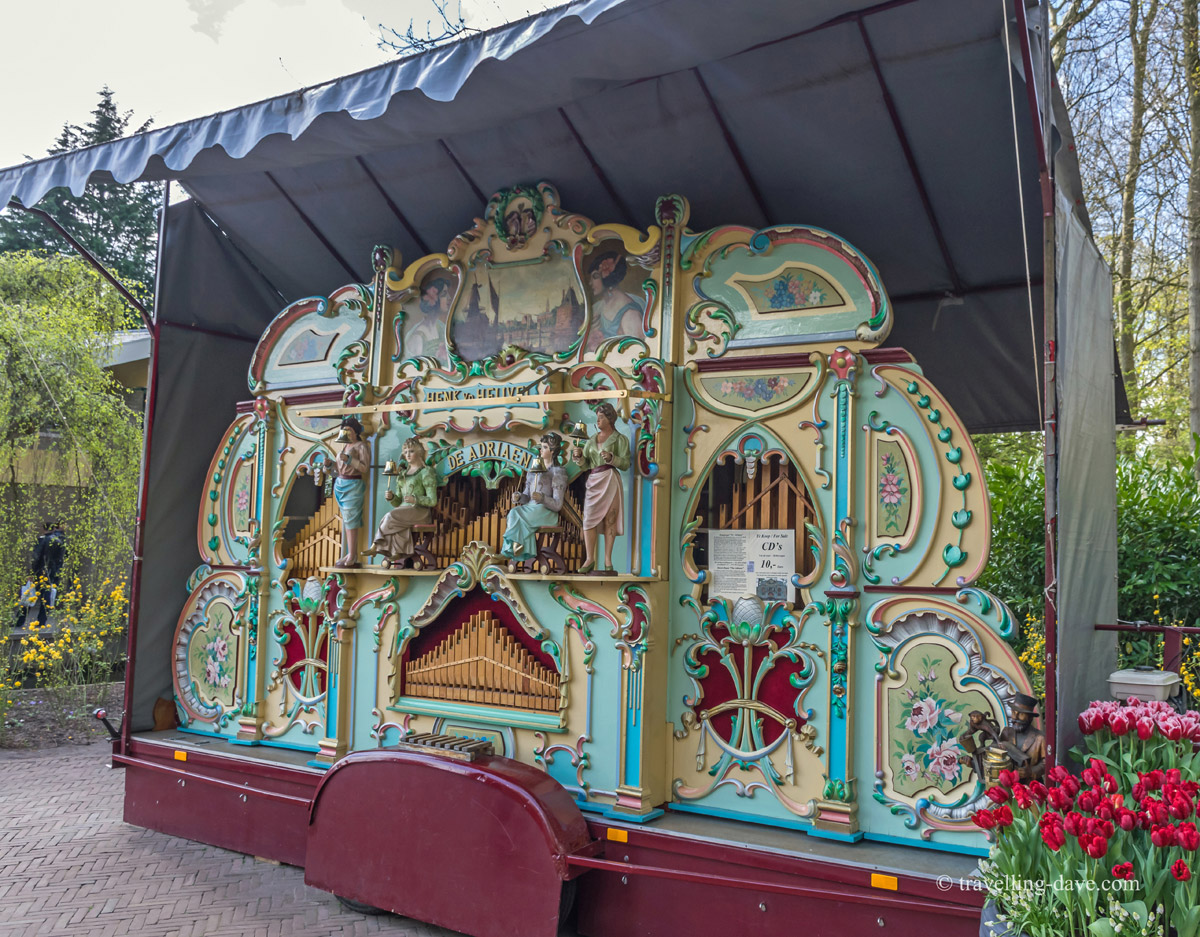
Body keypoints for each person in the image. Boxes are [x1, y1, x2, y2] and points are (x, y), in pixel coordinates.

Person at [571, 403, 630, 573]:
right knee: (588, 519)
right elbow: (585, 466)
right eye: (597, 417)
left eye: (601, 417)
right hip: (594, 479)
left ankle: (608, 560)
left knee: (610, 519)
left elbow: (626, 463)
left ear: (610, 418)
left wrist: (612, 458)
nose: (598, 420)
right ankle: (590, 558)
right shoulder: (591, 440)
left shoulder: (620, 439)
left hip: (610, 478)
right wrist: (579, 458)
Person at [364, 437, 438, 564]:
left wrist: (415, 499)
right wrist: (392, 497)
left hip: (420, 512)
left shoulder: (426, 472)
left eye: (411, 451)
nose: (408, 455)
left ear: (419, 452)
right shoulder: (402, 474)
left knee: (391, 515)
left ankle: (376, 545)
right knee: (395, 517)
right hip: (404, 511)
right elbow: (398, 502)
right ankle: (397, 552)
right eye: (406, 452)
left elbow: (432, 501)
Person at [501, 433, 567, 562]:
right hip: (530, 508)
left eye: (545, 447)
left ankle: (512, 549)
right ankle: (515, 549)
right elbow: (527, 497)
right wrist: (519, 497)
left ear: (552, 451)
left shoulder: (558, 472)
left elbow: (558, 504)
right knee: (514, 512)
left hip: (546, 511)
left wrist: (542, 498)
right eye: (541, 447)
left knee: (518, 514)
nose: (541, 450)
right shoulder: (533, 470)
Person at [585, 251, 643, 351]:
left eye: (595, 277)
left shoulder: (631, 314)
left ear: (608, 276)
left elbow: (637, 353)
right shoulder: (598, 307)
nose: (590, 283)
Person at [333, 417, 370, 568]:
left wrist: (349, 460)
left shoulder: (361, 446)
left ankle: (353, 554)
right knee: (346, 520)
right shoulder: (343, 447)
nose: (346, 432)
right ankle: (347, 553)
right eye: (344, 430)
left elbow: (364, 467)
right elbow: (338, 469)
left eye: (349, 430)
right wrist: (331, 465)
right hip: (340, 484)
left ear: (355, 431)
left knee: (351, 520)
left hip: (353, 484)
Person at [18, 521, 66, 627]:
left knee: (29, 595)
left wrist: (31, 572)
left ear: (44, 529)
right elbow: (60, 559)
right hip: (51, 573)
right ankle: (42, 621)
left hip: (39, 571)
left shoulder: (42, 540)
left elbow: (36, 557)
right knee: (47, 597)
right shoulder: (59, 541)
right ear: (53, 528)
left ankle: (20, 620)